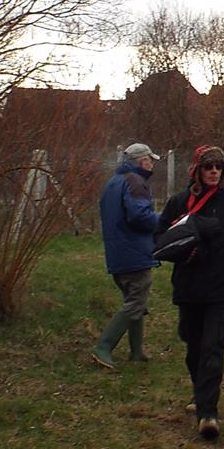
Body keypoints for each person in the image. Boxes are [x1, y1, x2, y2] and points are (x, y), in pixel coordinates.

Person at [155, 145, 224, 440]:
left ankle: (208, 414)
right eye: (208, 166)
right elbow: (159, 238)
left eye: (218, 166)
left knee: (213, 348)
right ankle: (200, 392)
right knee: (193, 346)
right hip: (188, 287)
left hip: (220, 289)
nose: (214, 171)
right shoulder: (179, 202)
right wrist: (181, 246)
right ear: (197, 171)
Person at [92, 142, 161, 369]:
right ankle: (103, 346)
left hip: (117, 253)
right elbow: (140, 217)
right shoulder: (135, 181)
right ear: (141, 161)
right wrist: (165, 219)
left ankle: (137, 351)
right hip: (134, 252)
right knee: (135, 301)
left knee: (134, 301)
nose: (152, 165)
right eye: (150, 160)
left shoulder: (113, 182)